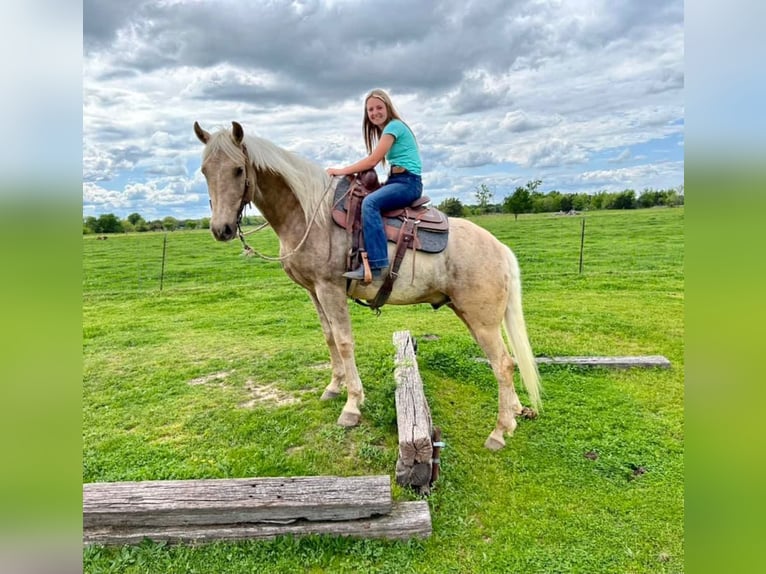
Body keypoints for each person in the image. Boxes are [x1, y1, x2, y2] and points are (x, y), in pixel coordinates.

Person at [326, 89, 423, 280]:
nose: (375, 112)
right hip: (398, 180)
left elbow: (372, 161)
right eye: (370, 110)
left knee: (370, 203)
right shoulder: (387, 130)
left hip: (408, 182)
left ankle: (376, 265)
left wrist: (340, 171)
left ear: (388, 107)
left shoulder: (394, 127)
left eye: (379, 107)